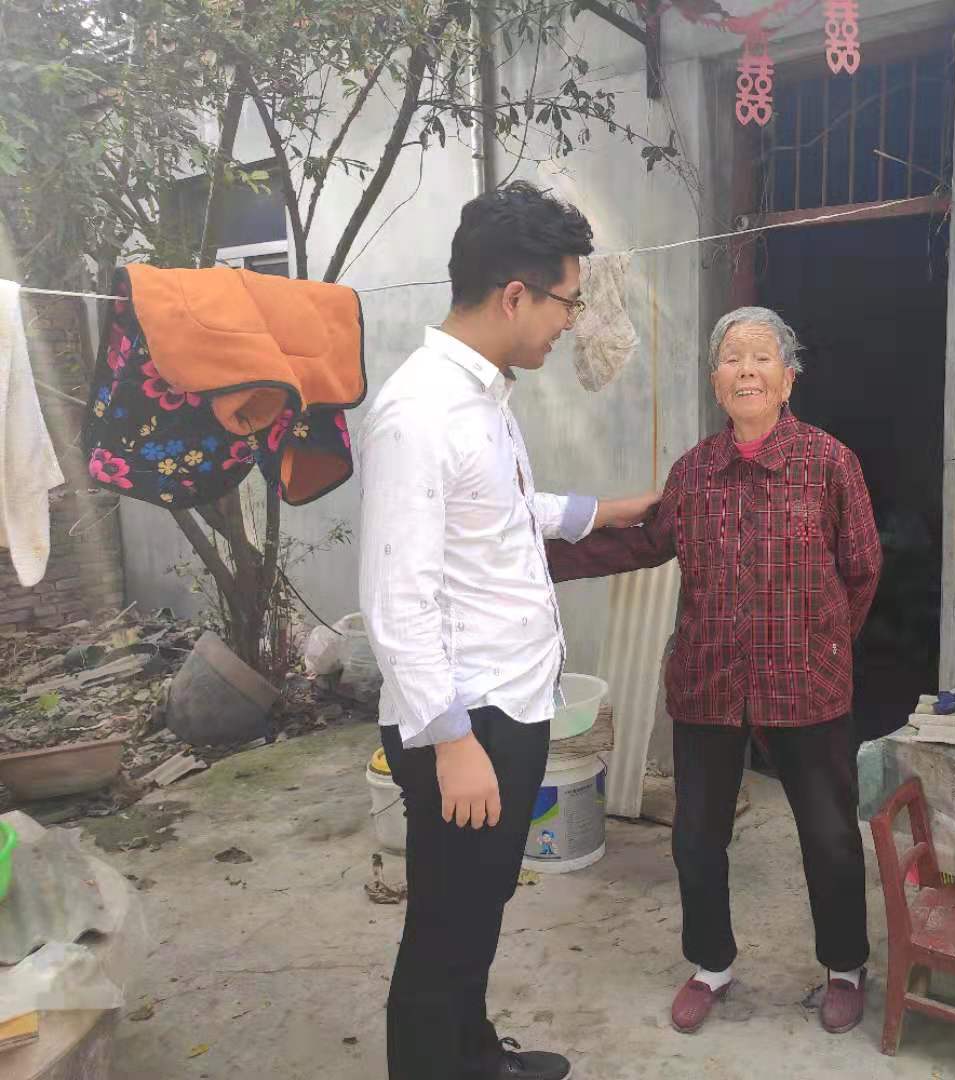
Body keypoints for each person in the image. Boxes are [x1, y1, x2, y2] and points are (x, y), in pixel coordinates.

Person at [357, 182, 659, 1080]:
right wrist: (452, 744)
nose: (571, 322)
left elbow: (503, 512)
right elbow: (397, 599)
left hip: (511, 706)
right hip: (466, 720)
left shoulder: (481, 395)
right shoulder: (419, 413)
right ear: (516, 295)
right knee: (444, 926)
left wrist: (610, 510)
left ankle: (475, 1055)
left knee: (480, 905)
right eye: (568, 301)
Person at [547, 306, 883, 1037]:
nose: (747, 371)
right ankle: (711, 965)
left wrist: (823, 643)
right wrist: (532, 556)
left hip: (808, 685)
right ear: (715, 380)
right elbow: (643, 544)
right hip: (709, 684)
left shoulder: (829, 463)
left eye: (763, 358)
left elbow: (862, 568)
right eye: (733, 358)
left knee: (829, 835)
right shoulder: (695, 472)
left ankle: (845, 965)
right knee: (696, 837)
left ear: (788, 380)